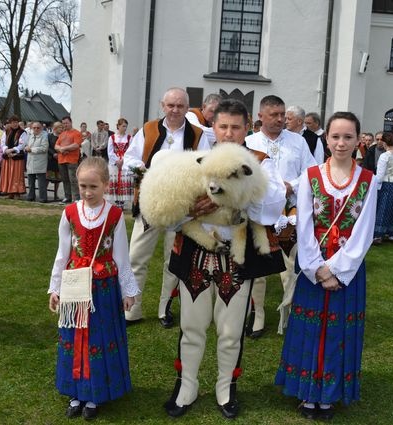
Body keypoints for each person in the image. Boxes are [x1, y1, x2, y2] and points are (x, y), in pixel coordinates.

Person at [163, 98, 286, 419]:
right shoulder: (193, 161)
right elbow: (168, 211)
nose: (229, 133)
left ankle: (224, 387)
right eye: (223, 126)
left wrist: (233, 197)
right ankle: (186, 386)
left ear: (247, 128)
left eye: (236, 127)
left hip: (238, 257)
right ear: (212, 127)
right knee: (192, 326)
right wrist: (189, 208)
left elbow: (272, 207)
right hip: (195, 254)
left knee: (231, 331)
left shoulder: (260, 162)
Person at [275, 111, 377, 421]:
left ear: (358, 140)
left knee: (337, 331)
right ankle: (307, 392)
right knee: (311, 327)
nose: (341, 143)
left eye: (348, 137)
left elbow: (364, 231)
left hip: (347, 271)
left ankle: (329, 394)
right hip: (312, 266)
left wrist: (338, 270)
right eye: (335, 136)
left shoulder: (369, 180)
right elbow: (304, 225)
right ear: (326, 139)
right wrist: (316, 268)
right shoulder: (311, 176)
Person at [48, 157, 140, 420]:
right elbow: (62, 253)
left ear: (106, 185)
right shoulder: (69, 212)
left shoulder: (114, 215)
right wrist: (55, 288)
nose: (87, 192)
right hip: (75, 285)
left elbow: (121, 255)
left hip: (104, 288)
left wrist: (128, 290)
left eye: (93, 187)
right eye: (82, 186)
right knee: (75, 337)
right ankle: (76, 392)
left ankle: (95, 394)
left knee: (98, 339)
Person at [123, 87, 208, 326]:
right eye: (171, 105)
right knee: (136, 257)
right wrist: (145, 171)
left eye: (180, 106)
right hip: (150, 202)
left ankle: (164, 309)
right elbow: (129, 159)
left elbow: (206, 164)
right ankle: (132, 309)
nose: (175, 110)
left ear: (187, 108)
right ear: (163, 105)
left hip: (181, 206)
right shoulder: (148, 129)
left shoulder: (198, 134)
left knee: (173, 260)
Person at [245, 95, 317, 337]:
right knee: (258, 269)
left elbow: (311, 172)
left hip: (291, 211)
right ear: (260, 116)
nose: (279, 119)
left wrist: (291, 185)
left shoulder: (298, 142)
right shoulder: (249, 142)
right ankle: (258, 316)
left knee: (290, 267)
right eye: (274, 115)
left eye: (282, 115)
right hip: (258, 212)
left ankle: (291, 315)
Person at [373, 132, 393, 244]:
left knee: (383, 208)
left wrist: (373, 182)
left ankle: (378, 235)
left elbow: (380, 176)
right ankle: (391, 234)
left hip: (386, 183)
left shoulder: (384, 156)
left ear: (385, 142)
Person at [55, 116, 83, 203]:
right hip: (61, 160)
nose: (65, 125)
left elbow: (76, 145)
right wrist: (61, 149)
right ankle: (68, 197)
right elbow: (56, 146)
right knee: (65, 180)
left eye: (66, 123)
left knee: (73, 180)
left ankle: (76, 198)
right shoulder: (62, 134)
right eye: (63, 123)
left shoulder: (77, 133)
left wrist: (64, 148)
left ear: (71, 122)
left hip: (72, 160)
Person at [0, 116, 27, 199]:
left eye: (16, 122)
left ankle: (17, 192)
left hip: (17, 156)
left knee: (16, 175)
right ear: (10, 123)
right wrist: (6, 150)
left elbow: (22, 144)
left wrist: (13, 150)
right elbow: (2, 142)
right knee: (8, 174)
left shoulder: (22, 132)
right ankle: (9, 192)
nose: (15, 124)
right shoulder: (6, 131)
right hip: (8, 156)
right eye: (13, 122)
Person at [106, 118, 132, 208]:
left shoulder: (129, 138)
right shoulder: (112, 137)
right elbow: (110, 151)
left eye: (126, 126)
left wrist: (123, 160)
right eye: (123, 126)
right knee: (115, 180)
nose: (125, 128)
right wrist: (117, 160)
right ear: (118, 126)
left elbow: (130, 151)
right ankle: (117, 201)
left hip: (125, 162)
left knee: (124, 180)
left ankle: (122, 201)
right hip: (115, 163)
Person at [25, 122, 49, 203]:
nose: (36, 129)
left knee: (41, 182)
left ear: (41, 128)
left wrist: (32, 149)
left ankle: (43, 198)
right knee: (30, 181)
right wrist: (26, 148)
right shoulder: (30, 136)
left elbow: (44, 148)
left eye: (38, 128)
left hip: (40, 162)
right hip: (30, 161)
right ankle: (31, 196)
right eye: (34, 127)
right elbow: (25, 145)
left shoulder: (44, 137)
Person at [47, 122, 63, 202]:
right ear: (55, 128)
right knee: (47, 176)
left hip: (59, 159)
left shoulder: (62, 136)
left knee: (58, 177)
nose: (61, 128)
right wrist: (53, 154)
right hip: (50, 158)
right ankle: (45, 193)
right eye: (60, 127)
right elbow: (48, 146)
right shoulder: (50, 136)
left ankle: (55, 194)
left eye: (62, 127)